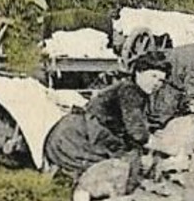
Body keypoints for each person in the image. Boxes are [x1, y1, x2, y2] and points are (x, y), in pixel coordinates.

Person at [41, 54, 171, 177]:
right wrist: (168, 148)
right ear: (139, 72)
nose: (156, 84)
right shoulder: (130, 91)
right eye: (153, 76)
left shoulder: (131, 88)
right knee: (120, 168)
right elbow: (137, 133)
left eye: (161, 80)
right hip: (75, 139)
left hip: (71, 132)